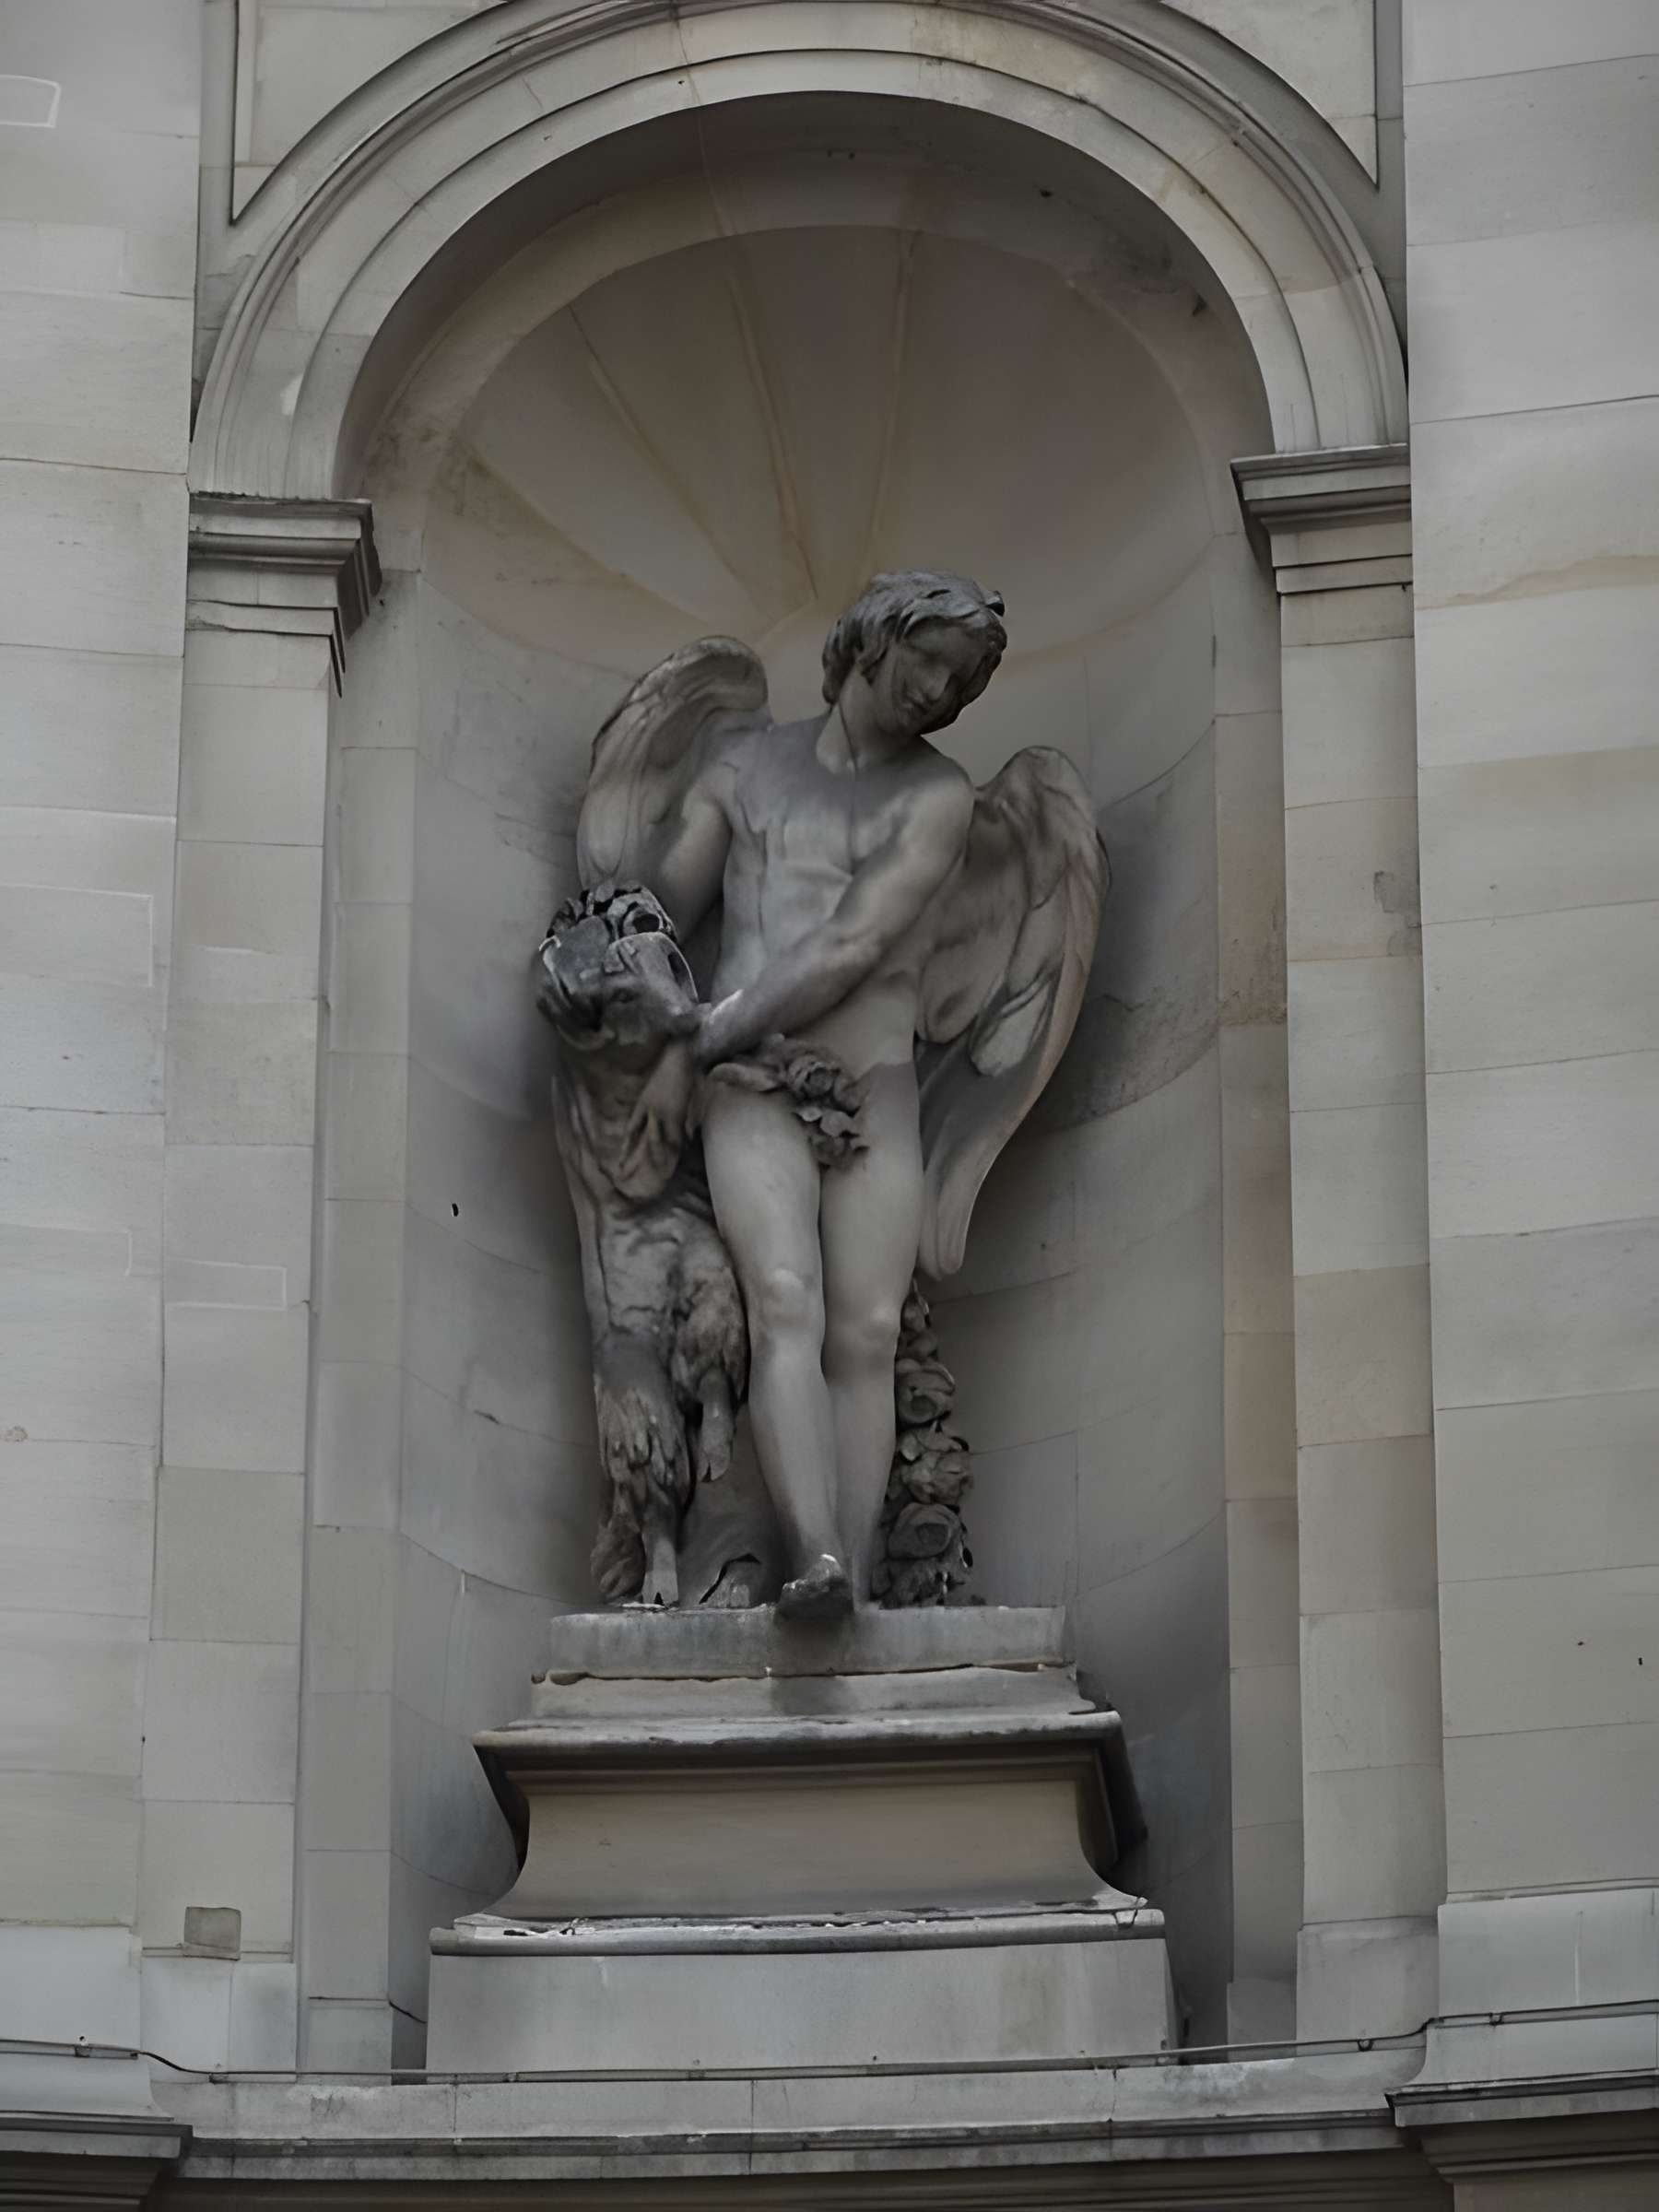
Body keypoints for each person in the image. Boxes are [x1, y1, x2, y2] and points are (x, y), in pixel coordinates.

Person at [641, 572, 1007, 1618]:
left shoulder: (937, 796)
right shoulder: (744, 765)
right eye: (926, 660)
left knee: (869, 1329)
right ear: (873, 641)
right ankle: (819, 1562)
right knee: (785, 1303)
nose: (937, 691)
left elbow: (853, 942)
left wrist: (711, 1027)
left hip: (873, 1078)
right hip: (752, 1083)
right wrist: (621, 970)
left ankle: (848, 1569)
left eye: (960, 680)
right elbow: (662, 904)